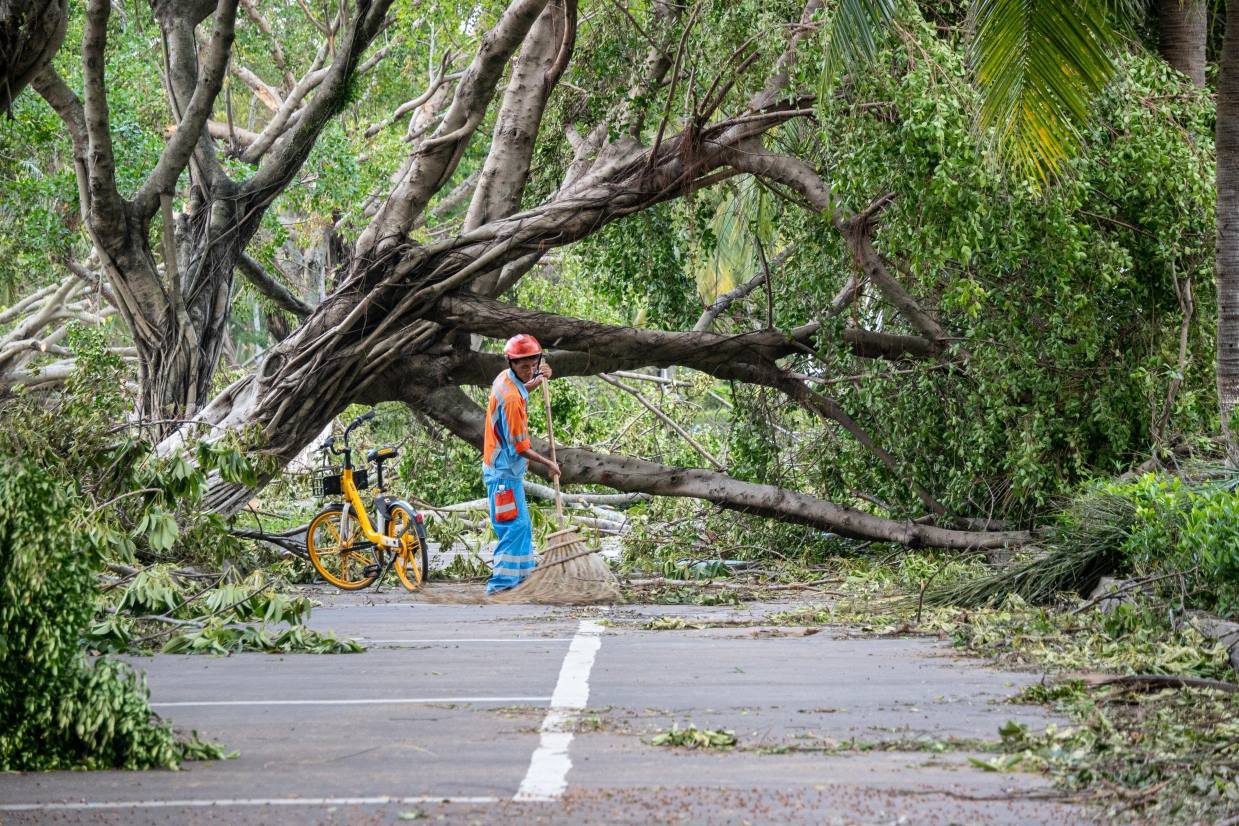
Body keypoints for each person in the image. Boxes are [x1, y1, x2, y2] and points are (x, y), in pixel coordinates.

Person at [482, 334, 561, 594]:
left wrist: (538, 379)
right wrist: (549, 463)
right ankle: (501, 587)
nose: (528, 371)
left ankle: (523, 581)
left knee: (522, 526)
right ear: (512, 363)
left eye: (532, 365)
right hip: (502, 474)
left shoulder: (505, 379)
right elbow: (521, 447)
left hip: (507, 472)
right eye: (523, 367)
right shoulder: (512, 398)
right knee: (513, 527)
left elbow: (521, 390)